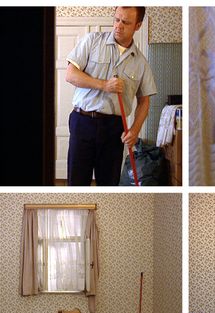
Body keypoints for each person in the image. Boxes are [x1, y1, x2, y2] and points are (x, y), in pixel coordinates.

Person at [65, 6, 157, 186]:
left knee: (109, 183)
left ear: (137, 26)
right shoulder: (92, 41)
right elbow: (70, 74)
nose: (118, 26)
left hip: (114, 129)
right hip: (82, 121)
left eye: (125, 22)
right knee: (76, 182)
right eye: (116, 19)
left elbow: (145, 101)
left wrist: (135, 130)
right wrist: (104, 85)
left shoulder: (141, 63)